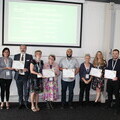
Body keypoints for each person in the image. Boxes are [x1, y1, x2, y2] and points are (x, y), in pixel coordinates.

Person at [14, 45, 33, 109]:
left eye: (24, 48)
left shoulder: (29, 56)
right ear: (19, 48)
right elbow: (14, 66)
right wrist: (15, 69)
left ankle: (26, 103)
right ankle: (20, 103)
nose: (22, 49)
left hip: (26, 76)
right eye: (21, 48)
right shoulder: (16, 56)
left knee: (26, 91)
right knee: (19, 91)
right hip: (18, 76)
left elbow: (31, 66)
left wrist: (27, 69)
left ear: (26, 49)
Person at [106, 49, 120, 114]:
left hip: (117, 82)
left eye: (116, 53)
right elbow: (108, 69)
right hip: (109, 81)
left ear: (118, 54)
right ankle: (109, 105)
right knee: (109, 94)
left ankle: (118, 109)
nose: (114, 55)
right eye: (113, 53)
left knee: (117, 95)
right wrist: (105, 74)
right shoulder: (109, 61)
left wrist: (117, 77)